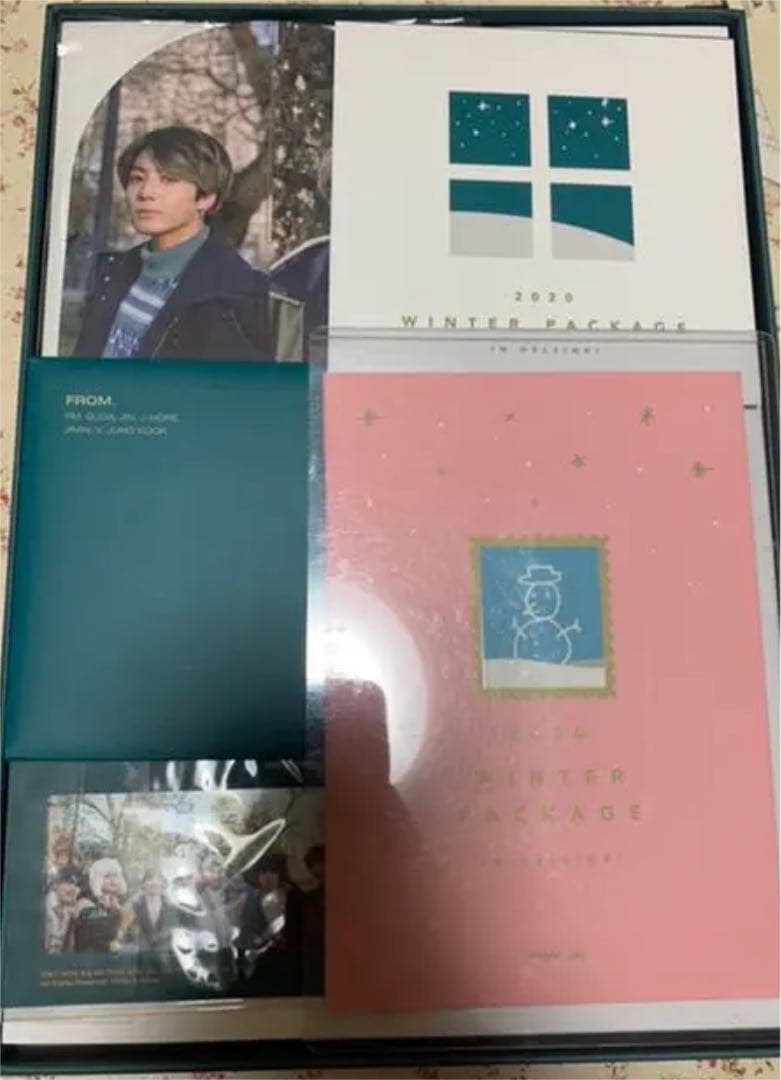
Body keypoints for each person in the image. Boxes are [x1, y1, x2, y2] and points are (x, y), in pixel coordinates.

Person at [73, 125, 272, 362]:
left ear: (206, 198)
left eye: (168, 180)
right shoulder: (112, 271)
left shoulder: (235, 295)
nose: (145, 192)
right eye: (137, 178)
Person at [73, 857, 129, 953]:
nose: (113, 881)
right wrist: (119, 913)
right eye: (107, 876)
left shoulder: (119, 904)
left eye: (116, 876)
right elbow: (105, 931)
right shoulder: (85, 903)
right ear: (98, 879)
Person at [44, 865, 89, 953]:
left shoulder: (72, 911)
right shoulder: (42, 907)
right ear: (55, 885)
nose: (73, 889)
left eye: (77, 885)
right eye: (68, 883)